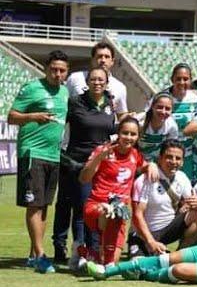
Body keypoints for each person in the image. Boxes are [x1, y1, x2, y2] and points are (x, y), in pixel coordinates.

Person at [8, 50, 69, 273]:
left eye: (62, 70)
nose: (57, 74)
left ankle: (34, 254)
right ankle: (41, 255)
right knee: (34, 203)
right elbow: (11, 116)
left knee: (43, 205)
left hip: (53, 155)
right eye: (54, 69)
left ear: (66, 72)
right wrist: (34, 116)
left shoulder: (64, 92)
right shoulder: (32, 88)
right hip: (33, 153)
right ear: (46, 68)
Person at [54, 67, 117, 270]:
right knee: (83, 209)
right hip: (80, 165)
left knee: (100, 209)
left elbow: (109, 131)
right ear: (87, 82)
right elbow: (57, 129)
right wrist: (65, 159)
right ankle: (80, 252)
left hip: (104, 167)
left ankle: (94, 251)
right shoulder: (75, 103)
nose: (97, 82)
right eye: (93, 79)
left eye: (101, 79)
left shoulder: (109, 104)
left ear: (107, 82)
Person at [79, 116, 158, 267]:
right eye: (125, 133)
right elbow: (83, 178)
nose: (129, 137)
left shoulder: (135, 154)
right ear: (118, 133)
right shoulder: (104, 150)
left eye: (133, 134)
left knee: (112, 258)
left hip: (120, 211)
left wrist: (151, 165)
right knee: (110, 212)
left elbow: (144, 164)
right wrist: (98, 158)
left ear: (138, 136)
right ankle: (106, 265)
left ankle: (84, 252)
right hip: (97, 206)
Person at [129, 140, 197, 257]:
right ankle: (149, 251)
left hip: (168, 230)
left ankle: (180, 255)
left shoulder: (182, 177)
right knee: (137, 269)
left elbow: (195, 203)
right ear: (160, 158)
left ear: (182, 162)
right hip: (145, 234)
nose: (173, 162)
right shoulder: (146, 179)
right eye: (169, 157)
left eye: (178, 158)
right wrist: (151, 242)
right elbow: (137, 215)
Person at [159, 63, 197, 182]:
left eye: (185, 79)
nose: (182, 82)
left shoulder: (195, 99)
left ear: (190, 80)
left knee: (184, 188)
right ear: (172, 79)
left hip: (187, 154)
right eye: (178, 79)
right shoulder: (162, 98)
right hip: (166, 155)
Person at [65, 41, 128, 117]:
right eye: (99, 56)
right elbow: (64, 104)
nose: (103, 60)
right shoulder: (75, 78)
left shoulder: (120, 87)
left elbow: (121, 115)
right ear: (92, 59)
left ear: (112, 61)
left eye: (107, 57)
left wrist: (129, 117)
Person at [136, 93, 180, 162]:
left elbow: (169, 149)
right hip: (135, 158)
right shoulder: (139, 120)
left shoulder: (172, 126)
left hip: (155, 162)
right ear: (152, 106)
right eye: (160, 107)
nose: (163, 111)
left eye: (167, 109)